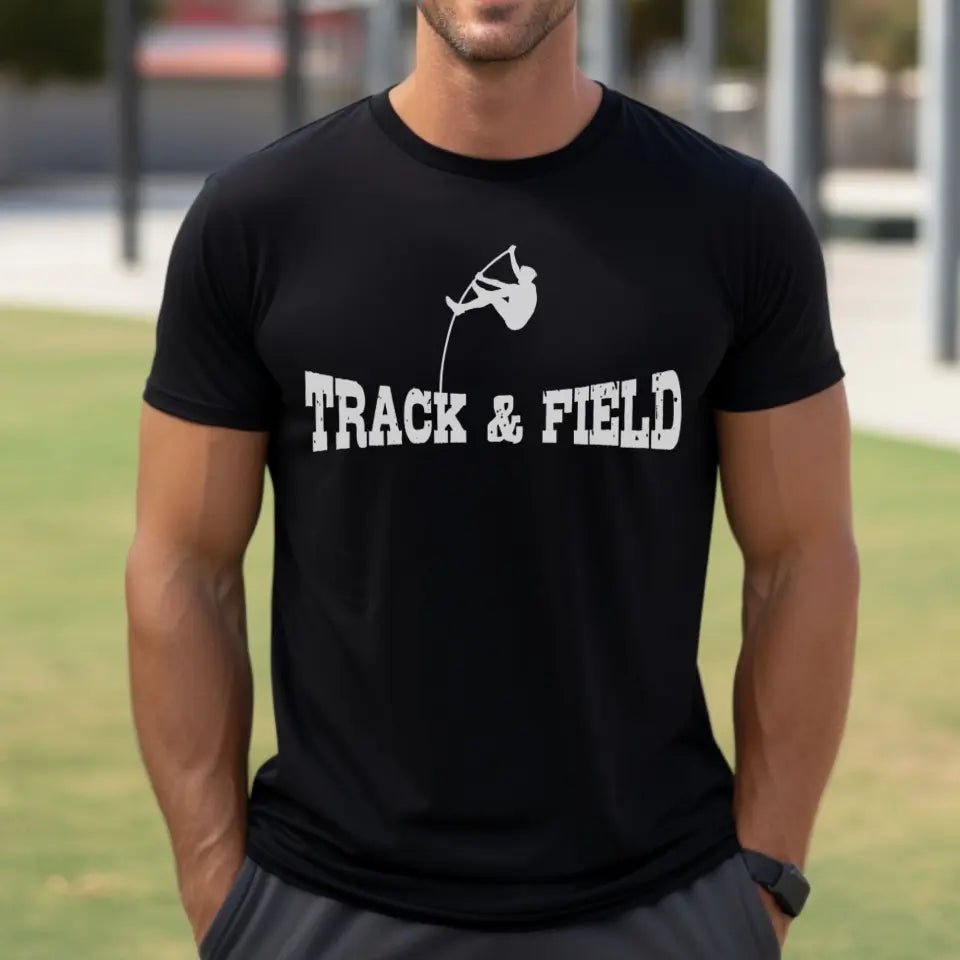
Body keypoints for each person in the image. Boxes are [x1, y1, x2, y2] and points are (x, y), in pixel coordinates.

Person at [125, 0, 859, 955]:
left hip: (655, 905)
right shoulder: (259, 221)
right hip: (326, 906)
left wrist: (762, 886)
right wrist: (222, 899)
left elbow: (803, 559)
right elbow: (181, 563)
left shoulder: (732, 221)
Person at [446, 245, 538, 328]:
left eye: (521, 276)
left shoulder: (519, 289)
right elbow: (517, 271)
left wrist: (482, 279)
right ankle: (480, 292)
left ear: (525, 278)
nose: (518, 277)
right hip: (516, 315)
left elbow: (499, 284)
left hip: (514, 320)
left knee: (494, 296)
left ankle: (461, 307)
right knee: (494, 296)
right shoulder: (530, 286)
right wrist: (511, 253)